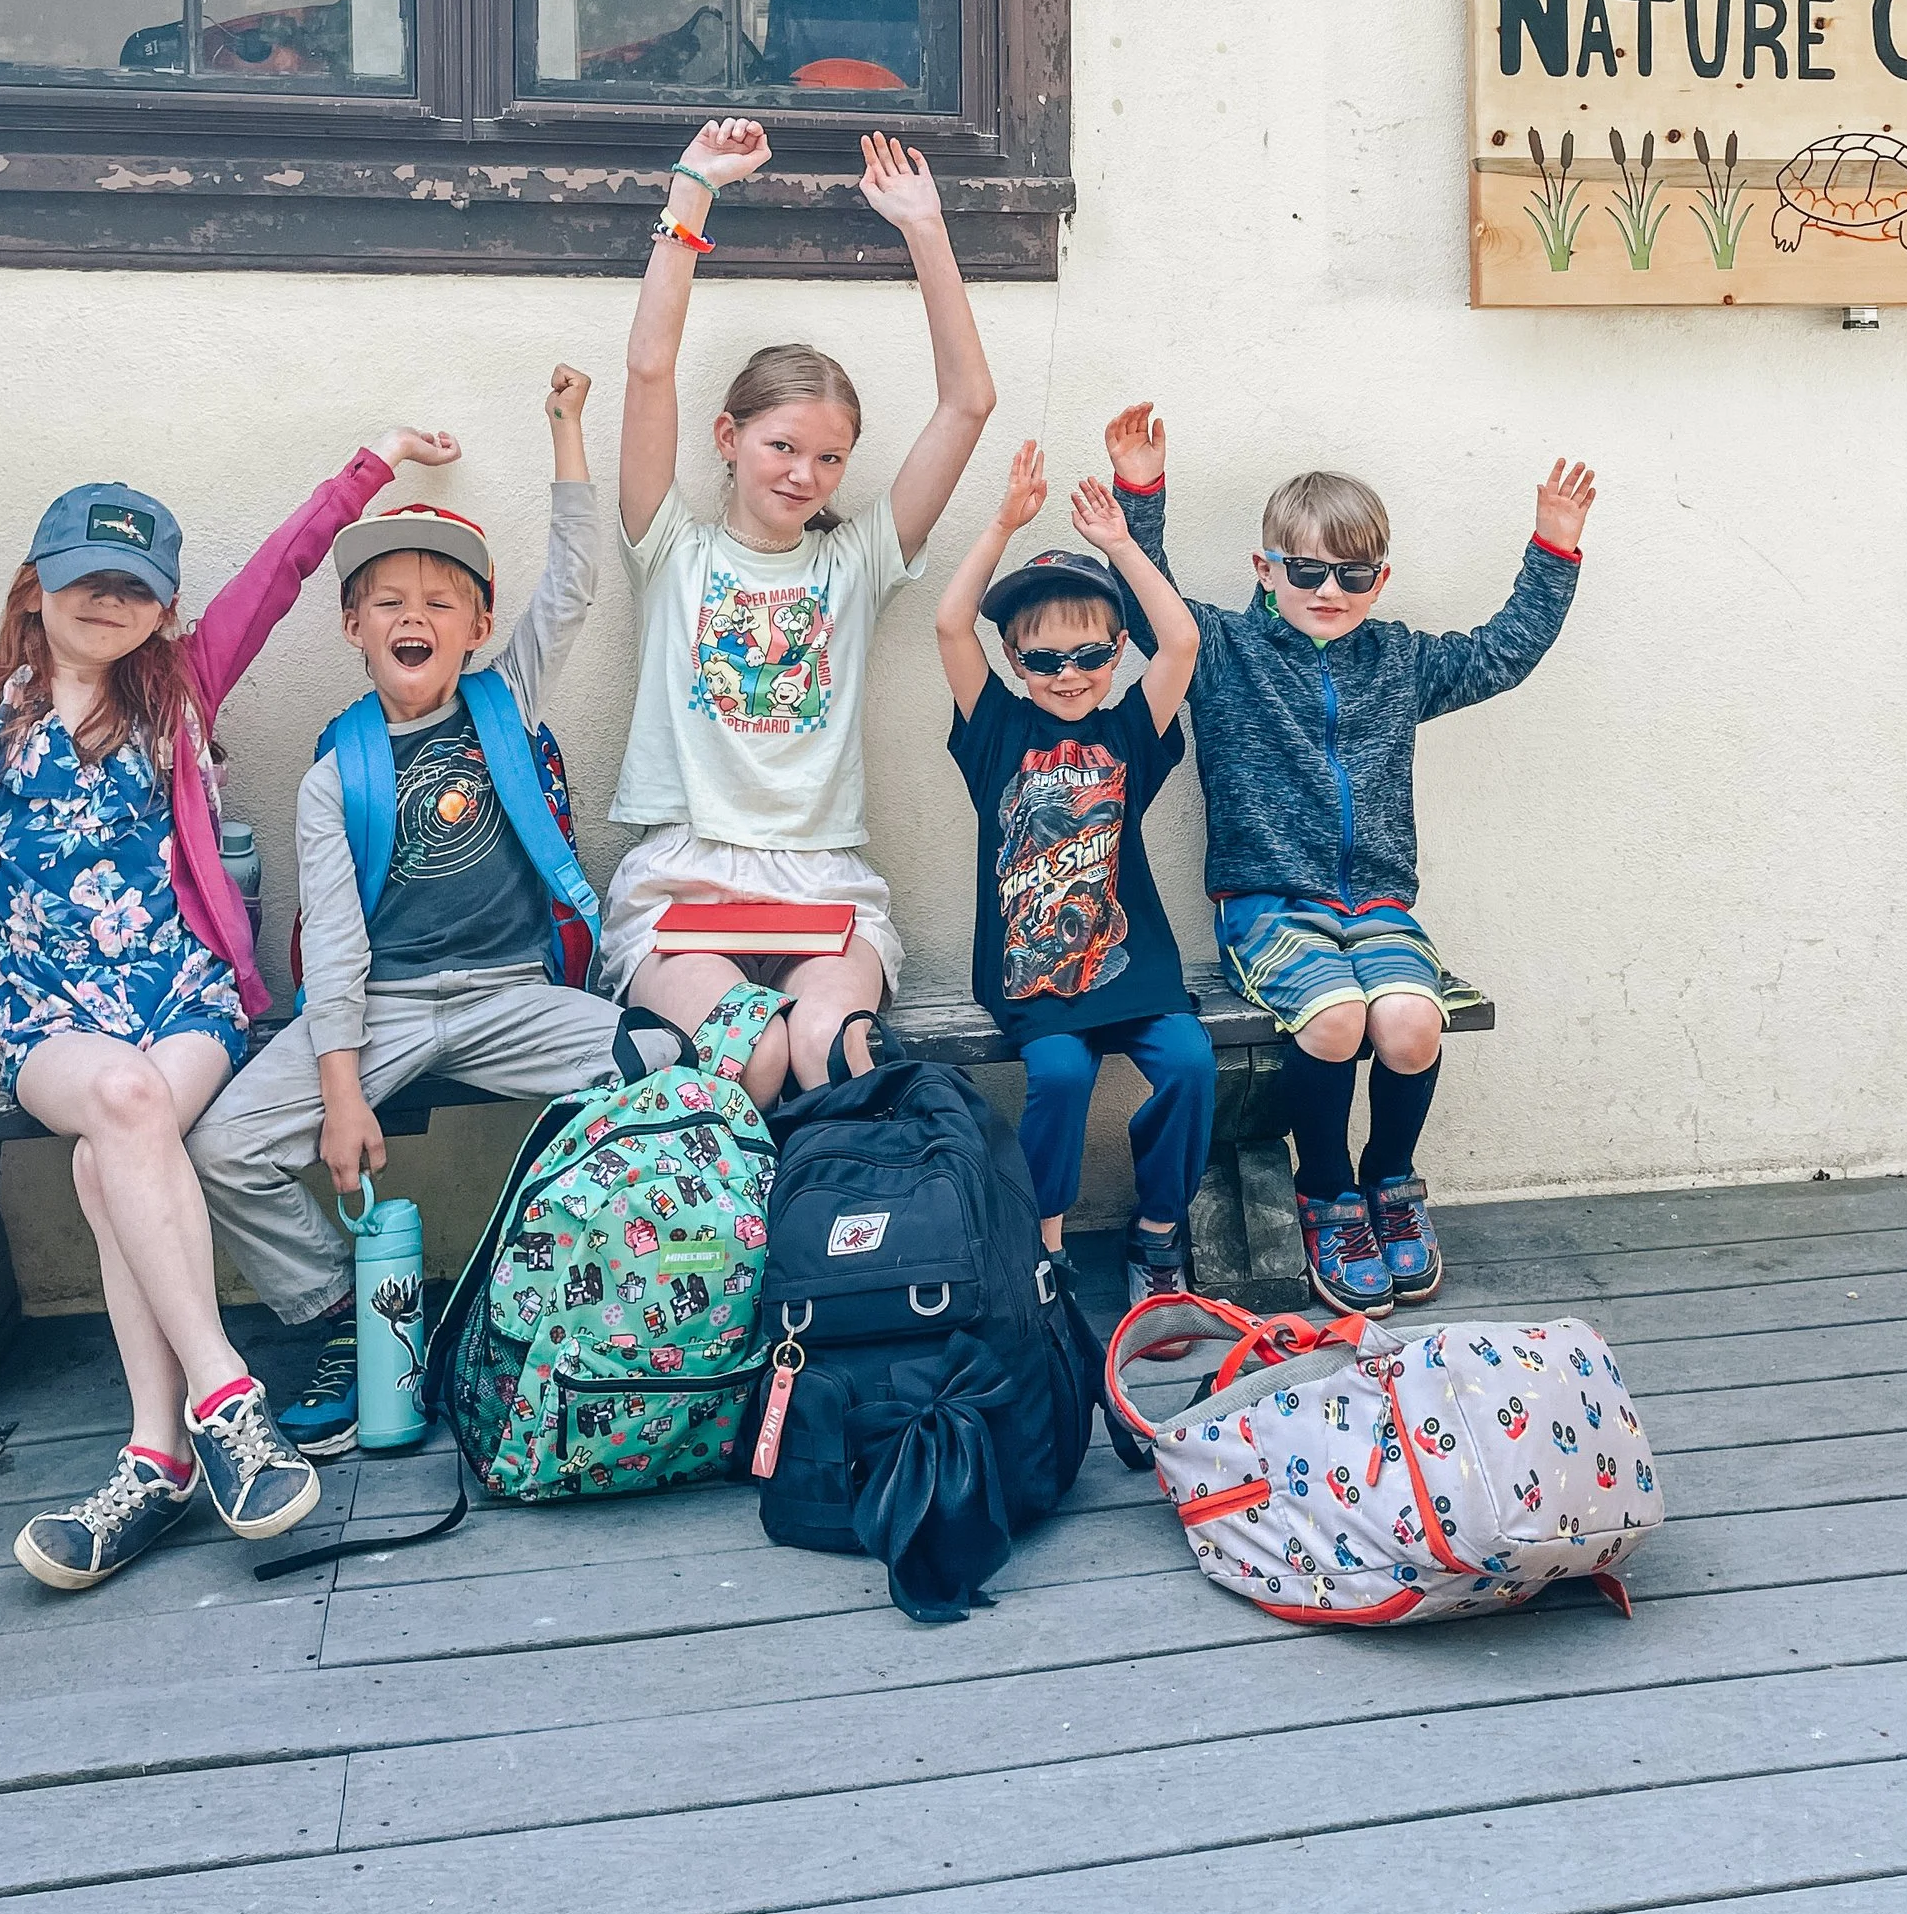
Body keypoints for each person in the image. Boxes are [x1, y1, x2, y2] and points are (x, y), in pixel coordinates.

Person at [0, 426, 459, 1590]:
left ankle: (155, 1458)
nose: (108, 602)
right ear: (34, 588)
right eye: (85, 579)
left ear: (161, 610)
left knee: (119, 1145)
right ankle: (224, 1397)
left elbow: (278, 577)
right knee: (117, 1103)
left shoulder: (180, 693)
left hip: (188, 1000)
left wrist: (366, 468)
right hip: (46, 1022)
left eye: (135, 588)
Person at [190, 367, 673, 1458]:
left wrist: (565, 434)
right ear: (354, 624)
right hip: (386, 1010)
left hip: (514, 1000)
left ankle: (622, 1298)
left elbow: (576, 585)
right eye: (390, 602)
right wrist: (341, 1091)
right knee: (222, 1145)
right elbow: (342, 945)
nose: (416, 616)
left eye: (442, 601)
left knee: (671, 1065)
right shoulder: (336, 774)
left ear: (478, 627)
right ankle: (333, 1320)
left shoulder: (506, 701)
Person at [1107, 405, 1595, 1314]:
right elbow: (1150, 609)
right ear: (1266, 570)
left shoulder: (1400, 659)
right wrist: (1142, 495)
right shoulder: (1225, 649)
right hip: (1269, 903)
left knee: (1410, 1023)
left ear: (1380, 578)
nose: (1329, 588)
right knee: (1333, 1021)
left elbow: (1504, 651)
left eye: (1353, 572)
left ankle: (1391, 1186)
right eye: (1306, 569)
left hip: (1376, 904)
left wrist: (1553, 551)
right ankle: (1326, 1191)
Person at [605, 122, 997, 1105]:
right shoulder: (671, 546)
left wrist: (926, 231)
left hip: (821, 882)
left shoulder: (857, 562)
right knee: (753, 1052)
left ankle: (842, 1250)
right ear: (728, 438)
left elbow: (968, 405)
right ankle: (743, 1252)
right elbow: (649, 367)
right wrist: (691, 189)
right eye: (782, 446)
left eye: (829, 458)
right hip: (685, 878)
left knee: (832, 1047)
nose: (804, 474)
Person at [937, 441, 1212, 1307]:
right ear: (1016, 662)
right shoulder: (997, 734)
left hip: (1134, 970)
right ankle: (1046, 1238)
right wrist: (1002, 523)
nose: (1069, 675)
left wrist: (1123, 545)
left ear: (1115, 652)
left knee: (1193, 1061)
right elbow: (951, 624)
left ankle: (1159, 1231)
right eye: (1045, 660)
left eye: (1089, 656)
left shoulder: (1129, 728)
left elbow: (1183, 639)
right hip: (1036, 978)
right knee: (1058, 1075)